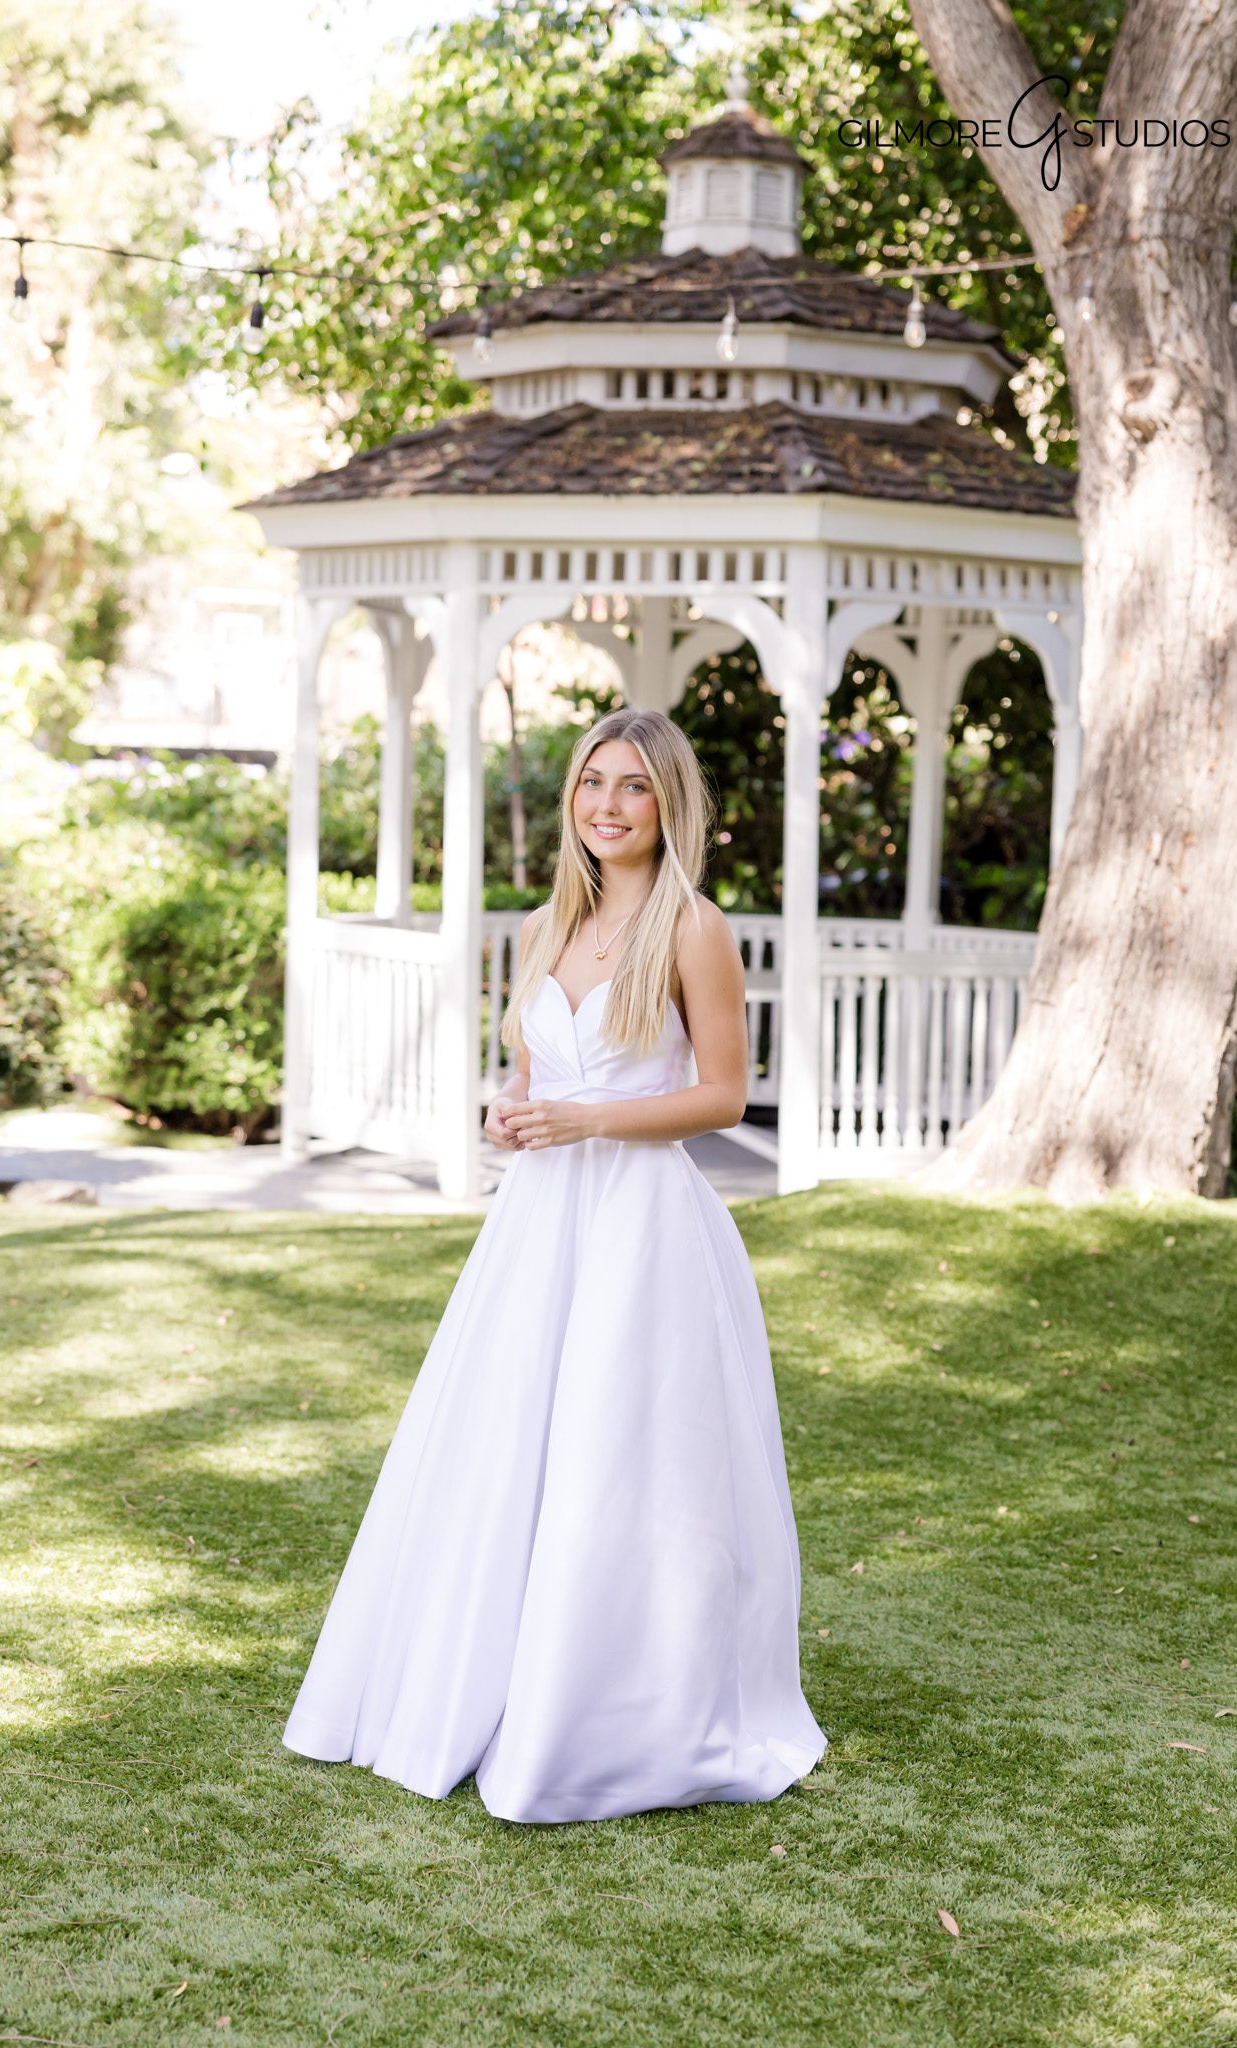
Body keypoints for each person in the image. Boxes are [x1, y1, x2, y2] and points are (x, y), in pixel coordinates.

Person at [282, 707, 827, 1823]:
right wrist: (513, 1109)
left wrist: (588, 1119)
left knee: (620, 1459)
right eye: (592, 782)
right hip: (537, 1227)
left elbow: (723, 1095)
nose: (607, 806)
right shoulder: (545, 926)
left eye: (633, 787)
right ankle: (476, 1684)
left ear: (669, 804)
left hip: (642, 1228)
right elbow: (532, 1077)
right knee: (506, 1440)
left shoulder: (695, 930)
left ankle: (604, 1711)